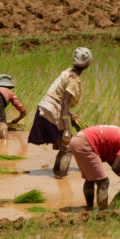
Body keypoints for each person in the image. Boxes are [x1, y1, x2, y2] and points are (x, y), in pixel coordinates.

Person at [30, 48, 94, 179]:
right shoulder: (73, 80)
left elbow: (58, 99)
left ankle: (57, 173)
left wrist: (72, 114)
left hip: (45, 108)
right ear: (88, 64)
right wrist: (67, 129)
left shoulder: (67, 72)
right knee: (68, 147)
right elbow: (64, 103)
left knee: (64, 146)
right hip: (50, 111)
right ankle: (61, 178)